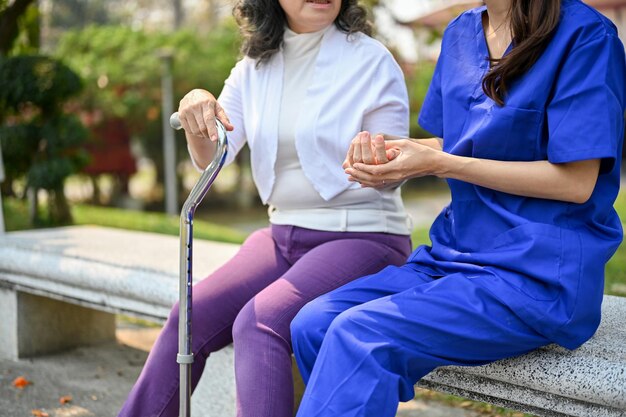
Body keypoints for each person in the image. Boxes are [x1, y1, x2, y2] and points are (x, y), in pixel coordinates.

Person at [290, 0, 626, 416]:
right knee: (314, 322)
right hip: (454, 256)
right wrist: (398, 157)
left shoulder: (585, 35)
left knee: (361, 334)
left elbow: (577, 182)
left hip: (537, 274)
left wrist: (437, 162)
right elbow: (464, 142)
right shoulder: (460, 34)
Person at [118, 1, 413, 416]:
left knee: (260, 321)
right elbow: (214, 156)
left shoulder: (371, 60)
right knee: (189, 316)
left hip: (363, 236)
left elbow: (397, 166)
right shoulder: (252, 69)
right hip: (282, 236)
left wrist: (379, 162)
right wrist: (196, 108)